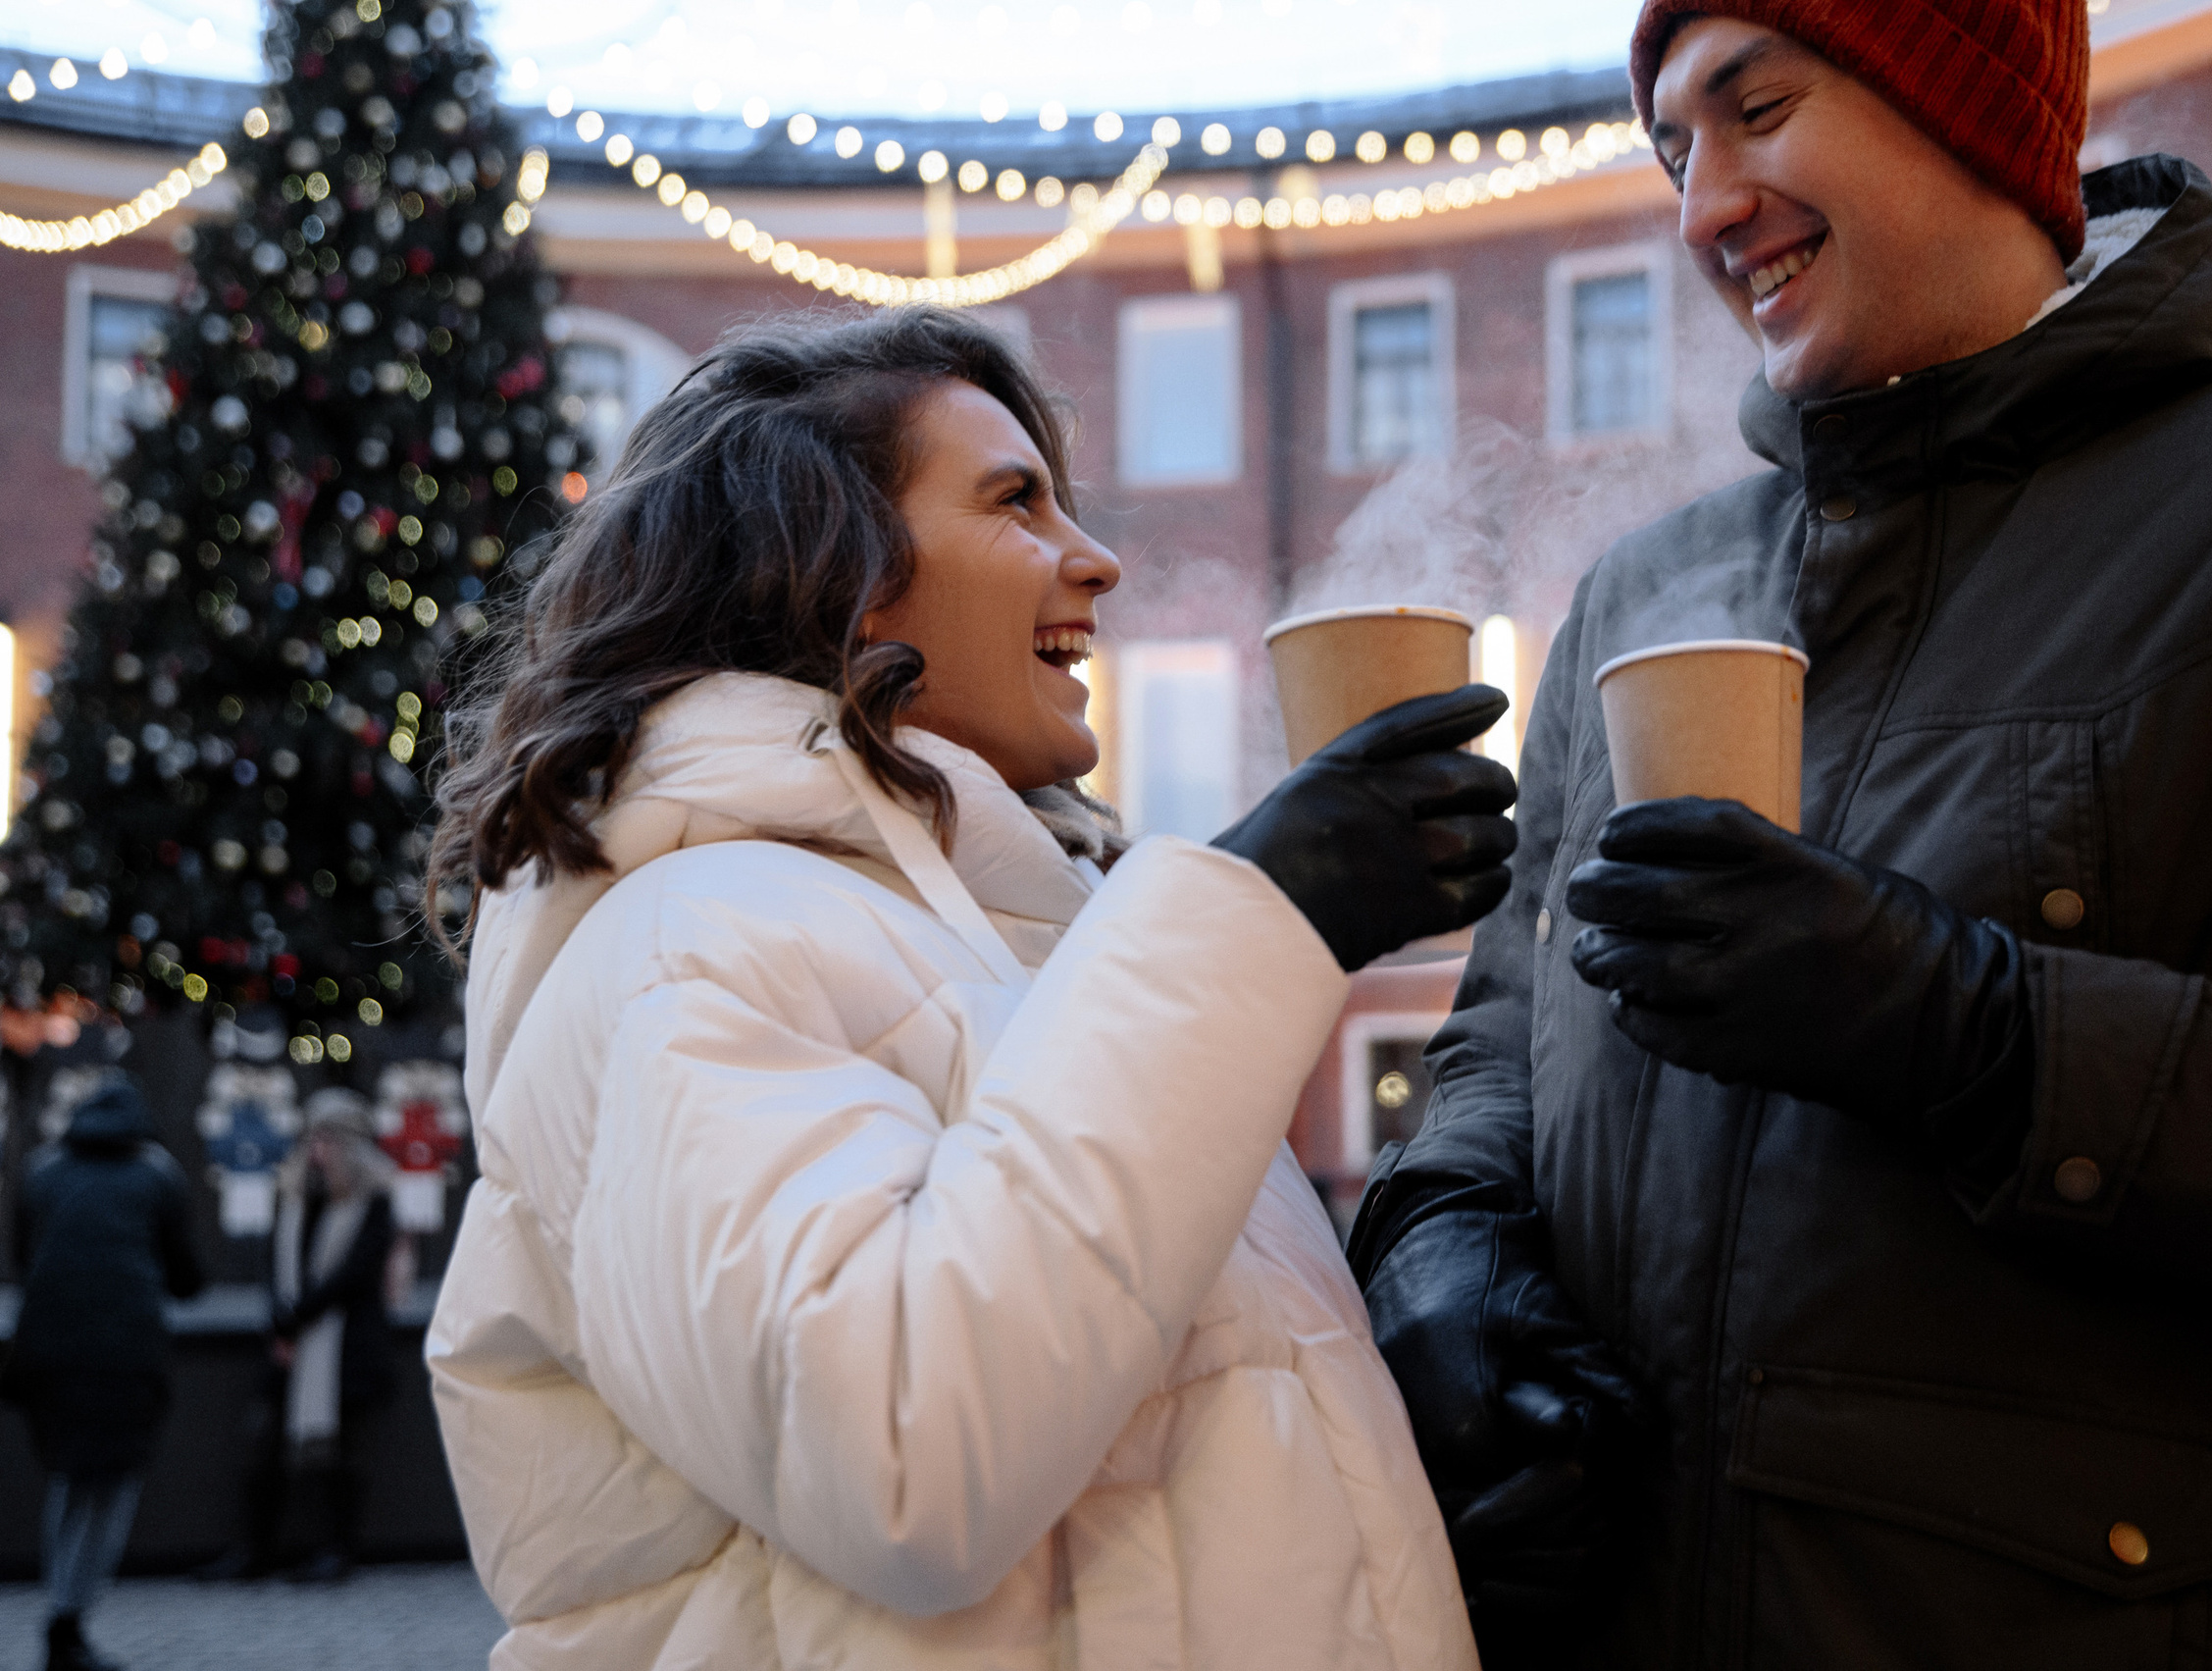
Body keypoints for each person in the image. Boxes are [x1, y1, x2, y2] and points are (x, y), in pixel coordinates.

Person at [1346, 2, 2212, 1667]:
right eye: (1675, 150)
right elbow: (1503, 1038)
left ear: (1965, 106)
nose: (1699, 206)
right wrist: (1443, 1252)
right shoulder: (1638, 590)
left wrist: (1973, 1028)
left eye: (1758, 109)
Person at [422, 308, 1509, 1668]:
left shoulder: (1040, 947)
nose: (1097, 559)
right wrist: (1257, 910)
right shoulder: (680, 945)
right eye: (1017, 500)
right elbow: (901, 1457)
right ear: (839, 569)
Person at [9, 1072, 204, 1671]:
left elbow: (23, 1261)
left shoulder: (42, 1170)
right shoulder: (157, 1173)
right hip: (128, 1355)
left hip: (50, 1354)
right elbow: (187, 1279)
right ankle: (71, 1620)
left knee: (69, 1482)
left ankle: (60, 1616)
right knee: (114, 1487)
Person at [200, 1088, 398, 1583]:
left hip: (347, 1349)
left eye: (326, 1140)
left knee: (344, 1455)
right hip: (293, 1345)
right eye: (312, 1139)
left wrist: (294, 1319)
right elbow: (279, 1267)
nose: (315, 1151)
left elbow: (355, 1275)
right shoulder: (296, 1196)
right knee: (263, 1448)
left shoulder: (373, 1203)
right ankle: (253, 1549)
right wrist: (282, 1323)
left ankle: (336, 1550)